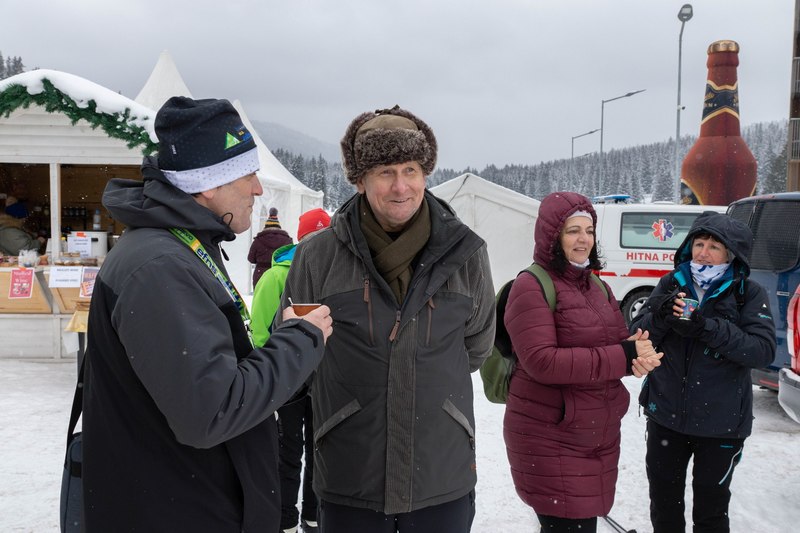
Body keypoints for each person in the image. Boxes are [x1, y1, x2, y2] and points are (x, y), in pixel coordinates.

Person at [82, 97, 333, 533]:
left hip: (186, 500)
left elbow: (207, 378)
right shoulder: (159, 267)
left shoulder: (177, 247)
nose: (258, 189)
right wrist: (299, 341)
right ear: (208, 185)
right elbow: (212, 411)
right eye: (247, 175)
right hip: (178, 509)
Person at [277, 105, 496, 532]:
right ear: (360, 180)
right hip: (350, 477)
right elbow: (295, 351)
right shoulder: (317, 256)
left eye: (411, 170)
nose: (401, 186)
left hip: (441, 476)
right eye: (385, 172)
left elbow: (476, 346)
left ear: (425, 174)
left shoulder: (466, 254)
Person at [502, 191, 663, 533]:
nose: (583, 239)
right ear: (552, 236)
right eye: (572, 230)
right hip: (551, 434)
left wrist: (636, 354)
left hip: (594, 435)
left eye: (589, 231)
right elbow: (542, 361)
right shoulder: (531, 286)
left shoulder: (596, 286)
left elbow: (616, 346)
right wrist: (622, 355)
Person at [631, 211, 776, 533]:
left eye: (714, 246)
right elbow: (636, 335)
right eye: (699, 244)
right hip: (666, 417)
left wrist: (706, 327)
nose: (703, 252)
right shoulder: (671, 283)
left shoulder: (747, 292)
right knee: (664, 506)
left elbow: (762, 351)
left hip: (721, 426)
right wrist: (660, 318)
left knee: (711, 513)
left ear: (731, 254)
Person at [251, 207, 332, 533]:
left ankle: (310, 514)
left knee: (317, 449)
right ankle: (286, 519)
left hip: (322, 379)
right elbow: (261, 331)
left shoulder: (335, 273)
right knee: (289, 450)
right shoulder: (275, 277)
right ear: (302, 239)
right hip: (289, 381)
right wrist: (277, 369)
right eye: (315, 235)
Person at [248, 206, 293, 287]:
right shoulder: (287, 240)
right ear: (279, 227)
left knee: (261, 295)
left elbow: (251, 258)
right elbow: (291, 259)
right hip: (280, 275)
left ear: (265, 227)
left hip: (260, 275)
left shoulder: (258, 240)